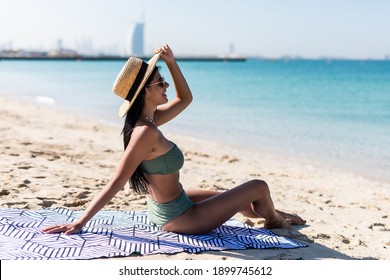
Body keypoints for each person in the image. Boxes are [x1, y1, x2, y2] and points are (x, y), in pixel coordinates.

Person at [42, 44, 305, 235]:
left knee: (242, 201)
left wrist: (171, 62)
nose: (166, 86)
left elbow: (185, 99)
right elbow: (117, 181)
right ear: (145, 92)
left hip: (171, 205)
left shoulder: (150, 120)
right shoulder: (146, 131)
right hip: (180, 218)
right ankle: (275, 220)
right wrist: (81, 221)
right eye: (160, 83)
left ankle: (276, 214)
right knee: (258, 186)